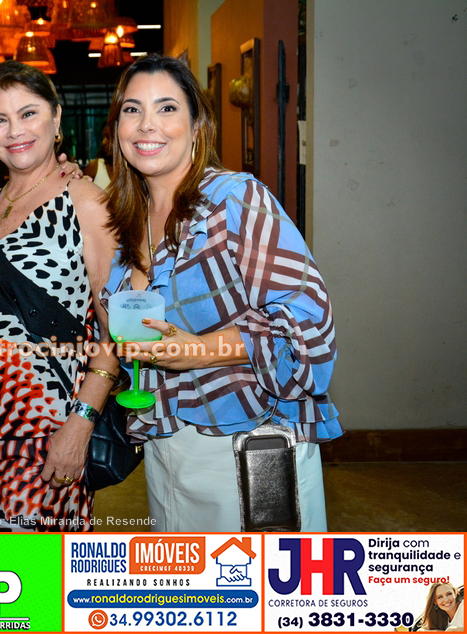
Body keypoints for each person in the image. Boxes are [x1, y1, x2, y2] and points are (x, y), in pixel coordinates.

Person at [101, 54, 341, 532]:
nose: (147, 124)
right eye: (132, 109)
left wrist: (199, 350)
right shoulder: (129, 217)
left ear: (197, 126)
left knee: (256, 580)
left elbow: (310, 327)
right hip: (166, 449)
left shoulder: (236, 199)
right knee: (184, 580)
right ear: (117, 129)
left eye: (167, 108)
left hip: (248, 447)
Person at [0, 60, 119, 532]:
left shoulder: (86, 203)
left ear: (56, 118)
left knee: (32, 566)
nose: (14, 131)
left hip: (46, 430)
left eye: (28, 114)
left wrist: (81, 422)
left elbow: (118, 332)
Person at [83, 125, 113, 190]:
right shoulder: (94, 166)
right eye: (102, 138)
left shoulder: (130, 169)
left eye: (108, 137)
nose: (103, 142)